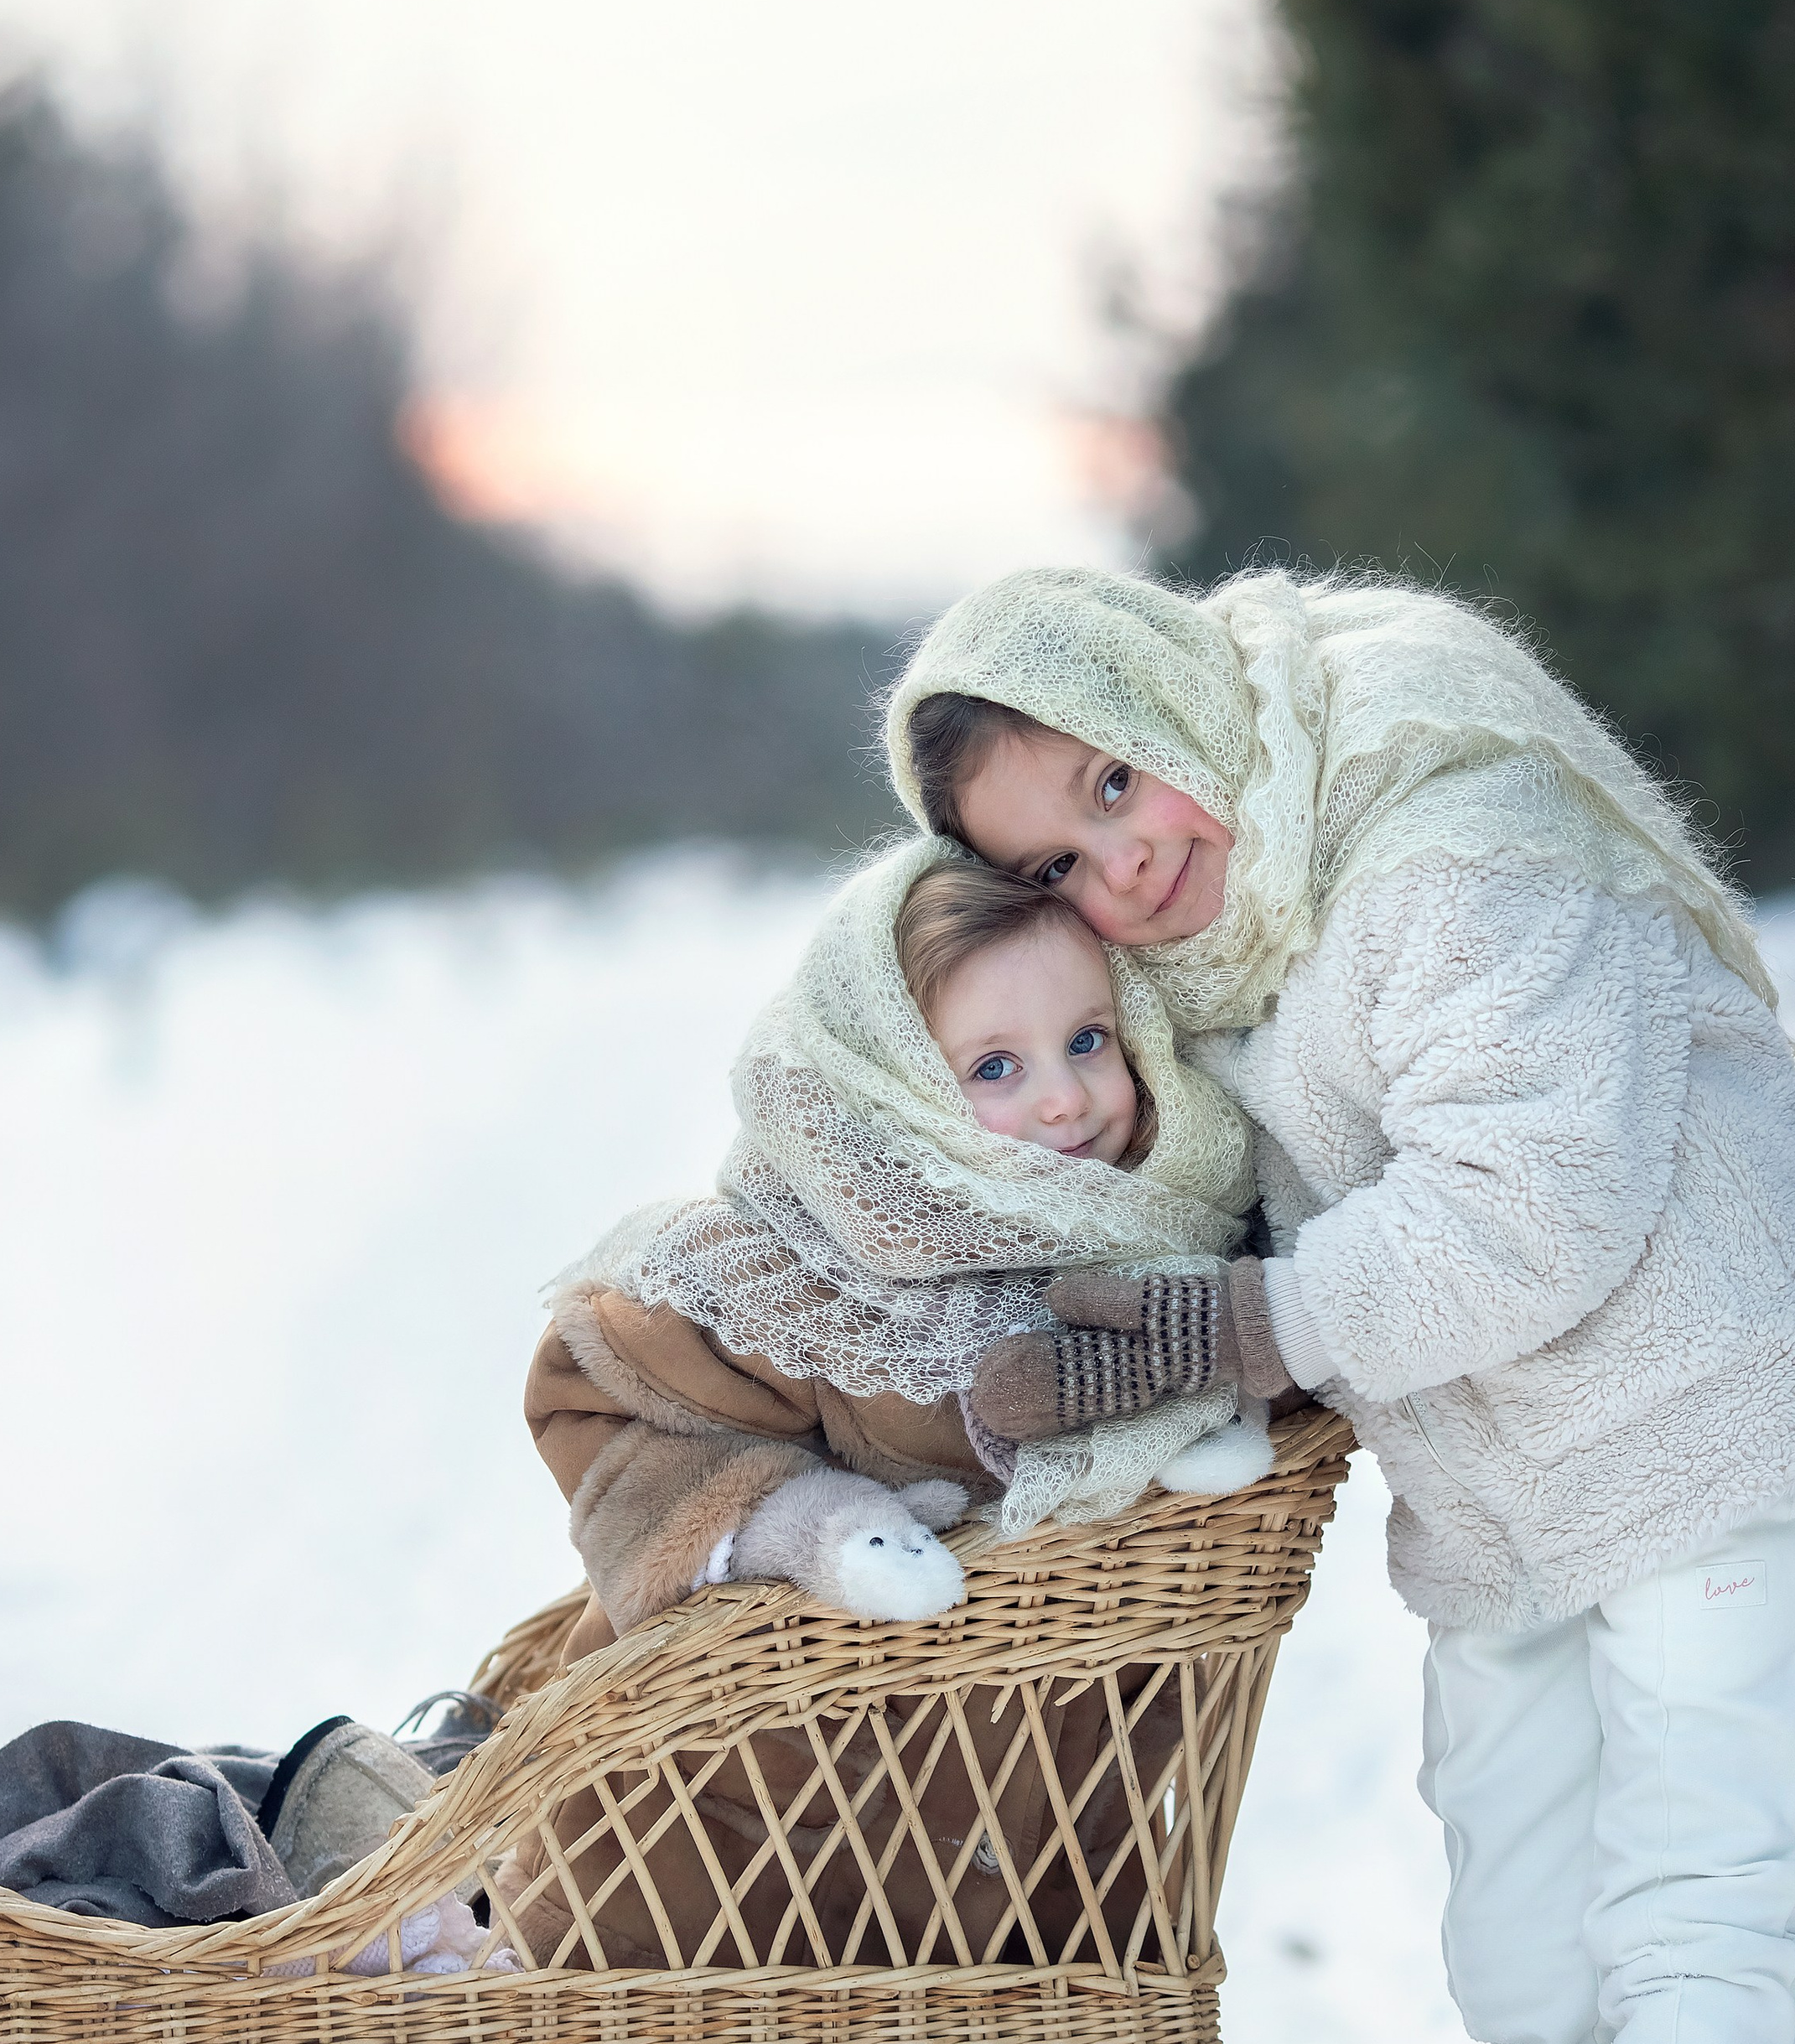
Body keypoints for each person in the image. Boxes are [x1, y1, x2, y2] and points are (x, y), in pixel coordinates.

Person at [886, 563, 1795, 2044]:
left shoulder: (1449, 817)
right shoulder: (1200, 940)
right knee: (1519, 1944)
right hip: (1502, 1469)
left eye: (1115, 778)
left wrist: (1225, 1328)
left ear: (1173, 697)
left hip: (1698, 1392)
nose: (1125, 859)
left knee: (1702, 1872)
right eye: (1054, 855)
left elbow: (1529, 1205)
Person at [495, 843, 1269, 1969]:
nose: (1065, 1098)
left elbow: (1254, 1345)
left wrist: (1175, 1422)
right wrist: (802, 1524)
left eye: (1088, 1042)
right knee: (648, 1962)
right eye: (994, 1068)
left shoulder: (1172, 1227)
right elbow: (591, 1397)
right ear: (887, 1090)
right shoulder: (810, 1264)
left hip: (1019, 1858)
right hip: (707, 1842)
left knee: (1056, 2014)